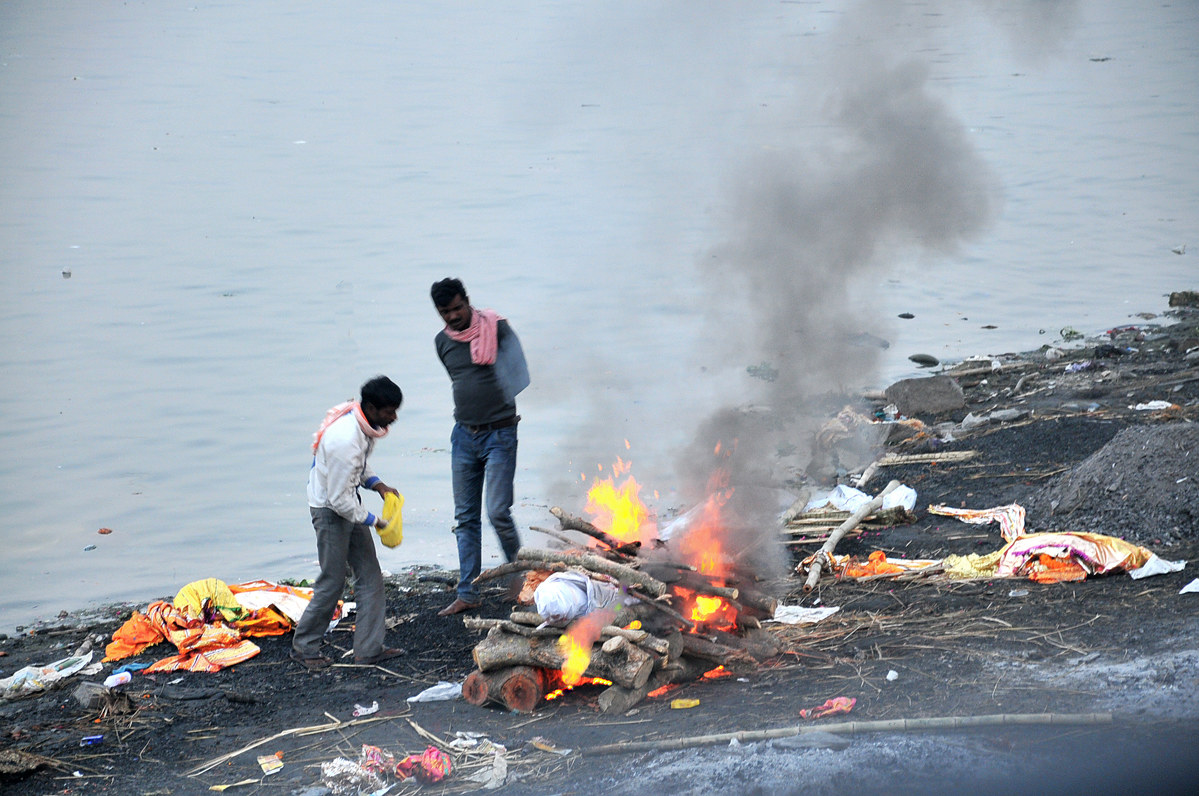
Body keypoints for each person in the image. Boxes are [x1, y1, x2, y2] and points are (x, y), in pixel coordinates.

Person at [291, 376, 406, 670]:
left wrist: (378, 485)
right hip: (329, 510)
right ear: (370, 407)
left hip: (346, 501)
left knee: (370, 575)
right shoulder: (344, 440)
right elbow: (339, 501)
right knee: (332, 581)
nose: (393, 417)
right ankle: (304, 647)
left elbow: (359, 467)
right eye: (388, 411)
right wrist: (376, 521)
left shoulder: (361, 425)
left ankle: (368, 649)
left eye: (395, 410)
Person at [431, 278, 530, 616]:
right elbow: (459, 380)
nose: (453, 316)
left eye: (457, 308)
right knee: (465, 517)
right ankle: (467, 592)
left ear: (467, 301)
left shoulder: (497, 328)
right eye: (445, 312)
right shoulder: (442, 342)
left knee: (498, 512)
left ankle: (520, 579)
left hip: (500, 434)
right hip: (463, 436)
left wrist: (496, 403)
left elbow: (521, 376)